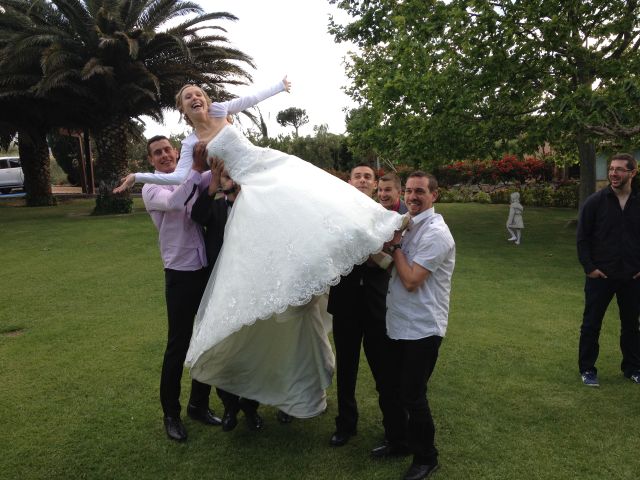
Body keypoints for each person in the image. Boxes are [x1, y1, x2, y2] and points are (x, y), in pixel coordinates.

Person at [141, 135, 222, 442]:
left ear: (176, 152)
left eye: (167, 150)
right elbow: (175, 202)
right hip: (179, 273)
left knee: (206, 338)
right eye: (157, 153)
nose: (163, 155)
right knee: (178, 344)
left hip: (203, 268)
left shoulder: (193, 175)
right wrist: (197, 170)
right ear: (151, 160)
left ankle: (198, 404)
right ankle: (170, 414)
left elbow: (214, 175)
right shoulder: (152, 188)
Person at [377, 171, 455, 480]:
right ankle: (400, 442)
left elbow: (410, 280)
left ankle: (426, 457)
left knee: (412, 394)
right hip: (399, 321)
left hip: (423, 327)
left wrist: (395, 248)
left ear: (434, 195)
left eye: (420, 191)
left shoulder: (436, 233)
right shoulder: (409, 224)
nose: (412, 197)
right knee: (396, 389)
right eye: (409, 191)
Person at [190, 146, 264, 431]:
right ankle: (230, 407)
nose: (228, 177)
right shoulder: (215, 206)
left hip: (250, 288)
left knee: (250, 350)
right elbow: (197, 215)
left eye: (233, 172)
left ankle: (251, 408)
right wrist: (211, 186)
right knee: (225, 350)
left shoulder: (254, 207)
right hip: (220, 288)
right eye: (223, 173)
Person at [113, 77, 291, 192]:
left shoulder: (220, 110)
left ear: (206, 101)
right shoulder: (190, 143)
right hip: (245, 186)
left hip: (266, 163)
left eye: (199, 94)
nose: (195, 98)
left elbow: (251, 99)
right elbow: (177, 177)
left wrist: (280, 86)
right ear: (183, 108)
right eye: (188, 97)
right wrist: (137, 177)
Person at [325, 163, 395, 447]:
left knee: (383, 369)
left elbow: (390, 253)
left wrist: (371, 253)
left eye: (368, 176)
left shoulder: (386, 215)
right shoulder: (336, 214)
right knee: (347, 368)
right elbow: (332, 249)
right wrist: (369, 252)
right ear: (350, 181)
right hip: (345, 302)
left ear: (375, 183)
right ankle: (346, 424)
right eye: (358, 176)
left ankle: (393, 427)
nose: (363, 180)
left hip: (377, 301)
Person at [576, 152, 640, 387]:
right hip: (600, 277)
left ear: (632, 173)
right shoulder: (595, 202)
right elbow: (582, 238)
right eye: (611, 168)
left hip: (632, 277)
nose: (613, 173)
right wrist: (590, 268)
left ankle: (633, 368)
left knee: (632, 325)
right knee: (592, 324)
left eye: (619, 169)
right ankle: (587, 369)